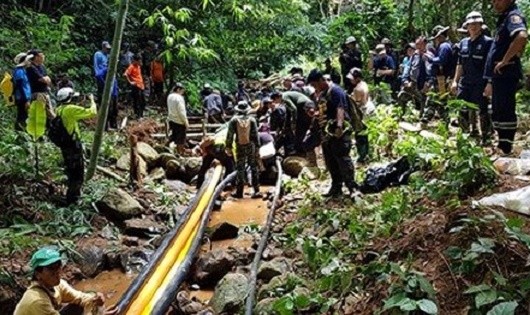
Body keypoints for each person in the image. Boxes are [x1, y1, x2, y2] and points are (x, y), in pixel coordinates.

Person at [14, 247, 116, 315]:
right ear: (38, 274)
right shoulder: (37, 301)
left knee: (82, 304)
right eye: (51, 268)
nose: (57, 271)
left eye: (58, 265)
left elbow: (80, 298)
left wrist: (96, 300)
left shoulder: (58, 285)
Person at [484, 0, 528, 156]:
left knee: (505, 110)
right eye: (493, 1)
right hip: (499, 75)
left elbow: (522, 36)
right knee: (498, 110)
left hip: (506, 73)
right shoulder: (504, 18)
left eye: (498, 0)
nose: (494, 3)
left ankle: (506, 147)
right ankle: (502, 144)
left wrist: (505, 60)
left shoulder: (513, 16)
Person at [307, 69, 357, 199]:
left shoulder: (336, 91)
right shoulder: (323, 94)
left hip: (338, 131)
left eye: (315, 85)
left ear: (321, 81)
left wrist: (339, 126)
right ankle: (336, 188)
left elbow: (340, 108)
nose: (314, 88)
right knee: (330, 161)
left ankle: (352, 187)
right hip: (327, 132)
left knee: (342, 159)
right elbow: (324, 110)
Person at [451, 11, 494, 145]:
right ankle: (464, 136)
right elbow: (460, 64)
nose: (474, 27)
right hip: (466, 82)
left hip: (480, 82)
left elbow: (491, 64)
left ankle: (486, 138)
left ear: (481, 25)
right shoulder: (463, 43)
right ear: (467, 26)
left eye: (476, 24)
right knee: (462, 108)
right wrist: (455, 81)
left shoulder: (488, 43)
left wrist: (489, 83)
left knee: (482, 110)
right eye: (471, 24)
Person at [52, 88, 96, 205]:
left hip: (65, 146)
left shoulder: (59, 109)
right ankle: (72, 201)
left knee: (71, 172)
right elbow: (92, 112)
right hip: (73, 146)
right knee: (78, 174)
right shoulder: (70, 109)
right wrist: (92, 100)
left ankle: (71, 197)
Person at [225, 101, 262, 199]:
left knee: (240, 168)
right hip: (251, 145)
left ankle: (239, 191)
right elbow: (255, 135)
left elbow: (230, 135)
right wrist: (257, 147)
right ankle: (257, 190)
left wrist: (228, 147)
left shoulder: (233, 120)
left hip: (240, 146)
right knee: (253, 166)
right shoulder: (252, 120)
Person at [422, 25, 455, 124]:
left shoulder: (444, 46)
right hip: (438, 79)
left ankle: (428, 119)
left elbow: (442, 60)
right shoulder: (443, 46)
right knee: (437, 101)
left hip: (442, 79)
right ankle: (429, 119)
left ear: (440, 37)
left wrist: (430, 59)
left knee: (437, 100)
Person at [400, 36, 431, 117]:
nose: (417, 47)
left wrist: (429, 83)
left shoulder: (430, 55)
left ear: (424, 44)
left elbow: (432, 72)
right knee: (401, 96)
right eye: (416, 45)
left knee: (425, 102)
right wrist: (405, 80)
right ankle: (403, 115)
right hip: (413, 82)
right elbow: (408, 67)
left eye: (419, 44)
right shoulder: (414, 55)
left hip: (425, 83)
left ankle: (422, 118)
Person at [347, 68, 372, 163]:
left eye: (352, 78)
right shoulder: (363, 84)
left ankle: (362, 156)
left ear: (357, 78)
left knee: (360, 134)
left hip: (362, 111)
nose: (350, 80)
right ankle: (365, 154)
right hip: (367, 108)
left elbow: (357, 104)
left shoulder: (358, 89)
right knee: (364, 134)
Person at [93, 41, 118, 129]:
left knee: (114, 108)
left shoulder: (108, 59)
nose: (107, 50)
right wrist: (104, 86)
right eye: (106, 49)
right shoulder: (98, 55)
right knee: (106, 107)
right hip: (104, 87)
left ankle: (113, 124)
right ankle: (105, 126)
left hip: (112, 92)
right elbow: (98, 73)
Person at [26, 49, 54, 120]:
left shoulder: (42, 66)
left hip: (45, 92)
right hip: (37, 93)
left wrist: (45, 79)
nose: (43, 57)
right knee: (42, 113)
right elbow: (43, 79)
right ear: (36, 57)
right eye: (41, 55)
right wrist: (45, 79)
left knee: (50, 112)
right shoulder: (31, 68)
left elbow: (48, 79)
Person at [12, 52, 33, 131]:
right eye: (28, 60)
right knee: (22, 115)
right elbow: (20, 86)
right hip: (22, 98)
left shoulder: (22, 70)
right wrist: (26, 100)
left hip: (23, 97)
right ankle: (19, 132)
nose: (30, 62)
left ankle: (20, 132)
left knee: (23, 115)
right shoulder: (19, 71)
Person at [167, 83, 189, 154]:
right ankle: (180, 153)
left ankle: (168, 150)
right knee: (180, 140)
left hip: (172, 119)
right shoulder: (179, 98)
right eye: (182, 91)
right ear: (178, 89)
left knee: (173, 137)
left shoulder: (169, 96)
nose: (182, 93)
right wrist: (186, 122)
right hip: (179, 121)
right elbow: (181, 111)